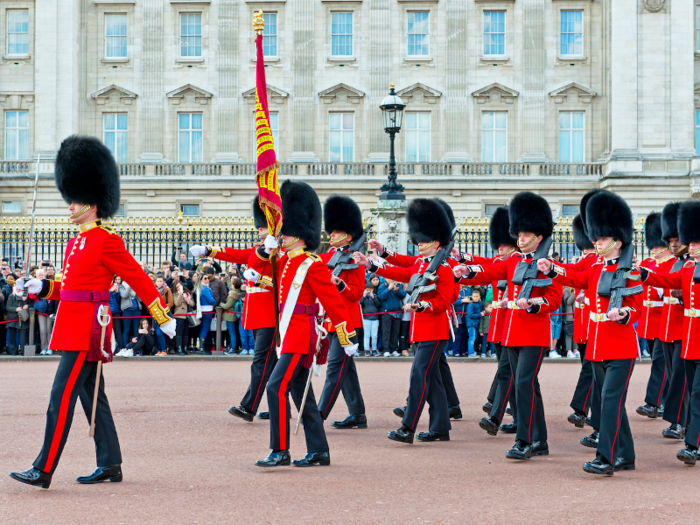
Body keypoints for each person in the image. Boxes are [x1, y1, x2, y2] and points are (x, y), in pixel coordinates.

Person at [9, 135, 175, 490]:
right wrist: (43, 287)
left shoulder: (106, 240)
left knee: (61, 396)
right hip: (71, 324)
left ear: (92, 203)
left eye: (75, 200)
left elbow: (137, 276)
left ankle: (44, 467)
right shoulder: (75, 241)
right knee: (91, 396)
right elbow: (69, 287)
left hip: (88, 329)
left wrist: (162, 315)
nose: (69, 205)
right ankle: (110, 463)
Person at [248, 180, 358, 468]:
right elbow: (264, 273)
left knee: (275, 387)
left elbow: (333, 301)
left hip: (301, 335)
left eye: (283, 232)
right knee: (300, 393)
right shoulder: (285, 261)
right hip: (289, 333)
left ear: (297, 233)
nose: (280, 236)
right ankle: (319, 450)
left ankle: (280, 450)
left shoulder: (312, 263)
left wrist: (346, 336)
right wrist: (263, 251)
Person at [539, 190, 641, 475]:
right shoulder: (595, 269)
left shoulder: (630, 270)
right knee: (613, 404)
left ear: (617, 241)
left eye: (603, 238)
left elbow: (637, 307)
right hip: (596, 347)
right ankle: (626, 456)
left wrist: (624, 314)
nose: (597, 242)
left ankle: (605, 458)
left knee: (608, 403)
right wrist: (551, 269)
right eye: (596, 237)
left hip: (620, 347)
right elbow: (574, 276)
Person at [456, 192, 562, 460]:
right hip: (513, 333)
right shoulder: (513, 261)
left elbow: (553, 300)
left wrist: (533, 304)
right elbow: (489, 271)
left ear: (539, 237)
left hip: (534, 333)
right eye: (520, 234)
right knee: (527, 386)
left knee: (523, 384)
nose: (521, 239)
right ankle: (540, 440)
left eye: (526, 235)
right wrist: (467, 272)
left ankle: (524, 440)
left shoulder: (550, 265)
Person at [355, 198, 454, 444]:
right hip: (420, 332)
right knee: (433, 381)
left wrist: (422, 305)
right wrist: (372, 265)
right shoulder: (420, 265)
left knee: (418, 376)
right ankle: (440, 427)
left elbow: (444, 301)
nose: (420, 245)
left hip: (434, 331)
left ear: (437, 243)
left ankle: (408, 427)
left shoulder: (444, 269)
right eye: (419, 240)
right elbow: (398, 271)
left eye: (425, 241)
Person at [189, 197, 278, 421]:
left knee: (261, 362)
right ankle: (282, 408)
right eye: (259, 228)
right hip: (257, 314)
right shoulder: (258, 250)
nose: (259, 231)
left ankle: (249, 407)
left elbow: (282, 285)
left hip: (271, 315)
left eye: (264, 227)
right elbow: (232, 253)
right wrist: (208, 250)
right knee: (275, 365)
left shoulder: (281, 253)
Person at [637, 200, 700, 465]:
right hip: (690, 341)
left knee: (695, 393)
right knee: (692, 391)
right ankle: (691, 440)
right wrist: (642, 274)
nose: (690, 245)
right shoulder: (686, 268)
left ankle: (692, 444)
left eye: (694, 242)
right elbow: (666, 280)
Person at [317, 195, 368, 429]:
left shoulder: (355, 260)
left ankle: (318, 415)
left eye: (336, 233)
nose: (331, 236)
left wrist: (340, 285)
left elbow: (357, 294)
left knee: (335, 367)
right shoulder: (327, 257)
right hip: (330, 320)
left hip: (347, 322)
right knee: (346, 371)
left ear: (348, 235)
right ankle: (358, 415)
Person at [471, 206, 518, 437]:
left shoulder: (517, 264)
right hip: (498, 324)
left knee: (507, 371)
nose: (500, 249)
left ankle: (496, 415)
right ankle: (518, 417)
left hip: (513, 325)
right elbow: (484, 263)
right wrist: (463, 261)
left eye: (504, 246)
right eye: (498, 246)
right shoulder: (500, 261)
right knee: (509, 372)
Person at [558, 211, 601, 442]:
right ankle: (583, 411)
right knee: (589, 369)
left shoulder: (599, 261)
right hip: (583, 325)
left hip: (597, 325)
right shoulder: (584, 260)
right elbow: (570, 275)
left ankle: (582, 410)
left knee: (592, 370)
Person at [656, 202, 690, 440]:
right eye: (671, 241)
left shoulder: (691, 264)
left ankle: (680, 422)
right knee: (672, 375)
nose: (674, 244)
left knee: (680, 377)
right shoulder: (671, 263)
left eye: (678, 240)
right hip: (667, 328)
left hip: (685, 328)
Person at [636, 211, 674, 420]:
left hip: (665, 319)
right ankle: (665, 401)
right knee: (660, 362)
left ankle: (653, 402)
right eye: (654, 245)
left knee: (660, 362)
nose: (656, 249)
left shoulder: (673, 264)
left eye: (659, 245)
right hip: (649, 321)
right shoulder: (648, 264)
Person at [378, 278, 405, 357]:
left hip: (397, 313)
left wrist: (397, 290)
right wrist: (389, 288)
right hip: (387, 313)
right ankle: (386, 350)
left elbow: (403, 295)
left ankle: (393, 349)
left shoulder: (397, 285)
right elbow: (381, 297)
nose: (392, 279)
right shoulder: (382, 286)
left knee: (395, 332)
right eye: (390, 278)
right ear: (386, 279)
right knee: (386, 332)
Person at [6, 280, 30, 356]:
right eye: (17, 289)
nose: (18, 290)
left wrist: (27, 306)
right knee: (12, 336)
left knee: (23, 336)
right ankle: (13, 351)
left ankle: (22, 351)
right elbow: (8, 307)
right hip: (12, 318)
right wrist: (16, 309)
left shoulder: (26, 296)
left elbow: (31, 303)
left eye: (20, 289)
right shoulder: (11, 296)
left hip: (23, 318)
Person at [172, 281, 195, 355]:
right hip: (179, 315)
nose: (179, 287)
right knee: (179, 333)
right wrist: (180, 295)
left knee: (186, 333)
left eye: (180, 286)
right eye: (177, 286)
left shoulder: (187, 293)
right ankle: (179, 348)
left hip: (187, 315)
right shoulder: (175, 294)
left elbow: (193, 304)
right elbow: (177, 303)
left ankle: (184, 347)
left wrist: (187, 300)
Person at [220, 279, 241, 354]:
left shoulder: (232, 295)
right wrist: (228, 278)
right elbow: (230, 285)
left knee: (232, 333)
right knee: (233, 332)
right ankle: (232, 347)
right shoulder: (238, 292)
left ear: (234, 286)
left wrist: (220, 304)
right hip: (233, 315)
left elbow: (227, 306)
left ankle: (233, 348)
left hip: (230, 316)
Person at [154, 276, 174, 356]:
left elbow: (170, 302)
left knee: (160, 332)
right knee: (157, 332)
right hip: (155, 313)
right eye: (157, 281)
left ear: (163, 282)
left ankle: (163, 350)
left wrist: (163, 309)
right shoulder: (153, 289)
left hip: (163, 314)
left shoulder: (167, 290)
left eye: (160, 281)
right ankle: (159, 350)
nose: (159, 282)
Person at [119, 280, 141, 352]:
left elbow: (140, 299)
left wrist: (137, 288)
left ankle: (136, 348)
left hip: (137, 310)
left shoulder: (135, 285)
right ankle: (125, 348)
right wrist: (130, 285)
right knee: (126, 330)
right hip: (127, 311)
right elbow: (124, 295)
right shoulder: (121, 286)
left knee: (136, 330)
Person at [451, 284, 472, 356]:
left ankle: (463, 350)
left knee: (465, 334)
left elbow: (472, 299)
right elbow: (451, 301)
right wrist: (462, 301)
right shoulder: (453, 289)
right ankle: (456, 351)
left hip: (467, 315)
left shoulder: (468, 290)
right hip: (457, 315)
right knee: (458, 333)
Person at [360, 283, 381, 356]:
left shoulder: (375, 296)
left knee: (374, 335)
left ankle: (374, 349)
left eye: (370, 289)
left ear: (373, 290)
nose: (369, 291)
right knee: (366, 335)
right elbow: (360, 304)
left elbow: (378, 305)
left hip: (375, 318)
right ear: (365, 290)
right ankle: (367, 350)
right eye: (367, 290)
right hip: (366, 319)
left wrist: (373, 297)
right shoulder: (363, 297)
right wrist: (364, 296)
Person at [466, 290, 484, 357]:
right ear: (472, 297)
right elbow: (470, 315)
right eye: (474, 296)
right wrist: (480, 314)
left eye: (477, 296)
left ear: (479, 297)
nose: (475, 298)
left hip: (476, 324)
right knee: (472, 338)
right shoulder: (470, 304)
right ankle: (470, 353)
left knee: (473, 338)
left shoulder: (480, 304)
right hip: (471, 324)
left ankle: (472, 352)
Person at [108, 276, 123, 353]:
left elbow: (119, 300)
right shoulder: (105, 286)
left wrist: (117, 292)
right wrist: (111, 291)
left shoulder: (115, 285)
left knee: (118, 331)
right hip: (108, 312)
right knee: (109, 331)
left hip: (116, 311)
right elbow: (105, 297)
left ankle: (121, 348)